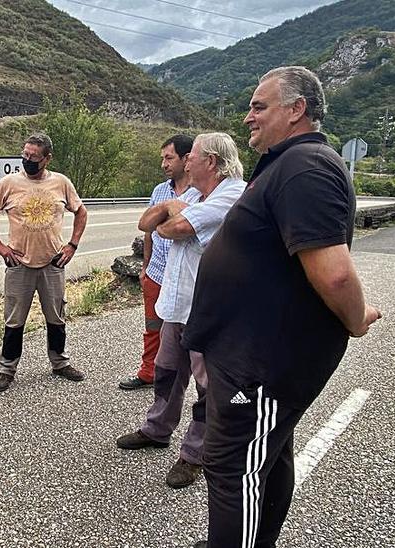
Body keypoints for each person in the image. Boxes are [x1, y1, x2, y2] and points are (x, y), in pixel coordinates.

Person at [183, 67, 381, 547]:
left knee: (234, 467)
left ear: (296, 110)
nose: (247, 116)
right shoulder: (285, 163)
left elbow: (333, 270)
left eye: (259, 106)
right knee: (265, 458)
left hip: (263, 362)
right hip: (250, 355)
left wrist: (357, 320)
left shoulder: (306, 168)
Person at [116, 133, 245, 488]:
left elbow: (173, 230)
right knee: (167, 372)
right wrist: (176, 209)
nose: (186, 162)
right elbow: (147, 223)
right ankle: (157, 430)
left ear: (212, 162)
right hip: (176, 304)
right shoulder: (191, 195)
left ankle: (195, 454)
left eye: (193, 157)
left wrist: (172, 213)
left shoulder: (232, 193)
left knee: (208, 387)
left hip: (210, 310)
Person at [0, 132, 88, 392]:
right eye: (25, 155)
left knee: (56, 317)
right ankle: (7, 369)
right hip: (19, 264)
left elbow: (81, 211)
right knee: (14, 320)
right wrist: (0, 246)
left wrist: (72, 244)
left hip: (53, 263)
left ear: (47, 158)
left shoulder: (61, 183)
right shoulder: (9, 183)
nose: (27, 160)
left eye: (33, 157)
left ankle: (59, 363)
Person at [118, 133, 195, 391]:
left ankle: (192, 380)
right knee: (153, 326)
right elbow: (148, 231)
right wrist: (145, 268)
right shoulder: (160, 191)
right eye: (162, 158)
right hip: (157, 272)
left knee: (188, 330)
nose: (164, 164)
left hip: (186, 277)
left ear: (187, 159)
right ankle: (149, 372)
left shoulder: (201, 193)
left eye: (169, 158)